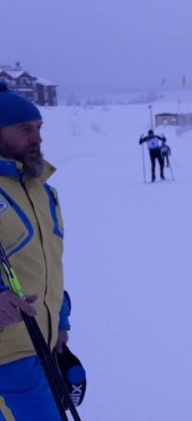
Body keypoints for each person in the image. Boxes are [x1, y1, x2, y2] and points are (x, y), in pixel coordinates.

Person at [0, 82, 74, 420]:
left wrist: (60, 317)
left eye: (39, 128)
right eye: (24, 129)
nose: (37, 139)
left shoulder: (43, 191)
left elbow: (49, 264)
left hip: (41, 348)